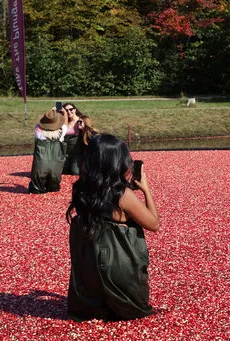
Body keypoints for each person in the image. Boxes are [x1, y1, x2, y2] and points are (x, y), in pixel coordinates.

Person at [66, 134, 160, 321]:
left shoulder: (82, 190)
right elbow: (153, 224)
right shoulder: (122, 195)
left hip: (90, 277)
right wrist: (146, 190)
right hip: (118, 272)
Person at [28, 108, 70, 194]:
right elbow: (65, 124)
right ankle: (52, 187)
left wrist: (49, 115)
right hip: (56, 161)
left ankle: (38, 189)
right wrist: (64, 113)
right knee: (54, 180)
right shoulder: (62, 131)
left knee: (37, 182)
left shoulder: (38, 131)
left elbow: (38, 125)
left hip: (41, 161)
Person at [62, 102, 83, 175]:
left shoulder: (81, 121)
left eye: (71, 109)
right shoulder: (63, 122)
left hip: (76, 153)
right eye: (66, 110)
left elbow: (90, 132)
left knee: (75, 172)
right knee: (63, 172)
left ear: (75, 109)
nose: (69, 112)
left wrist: (83, 128)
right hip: (64, 152)